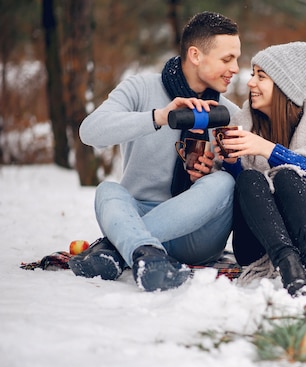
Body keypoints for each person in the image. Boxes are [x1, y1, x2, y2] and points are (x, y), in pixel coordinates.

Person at [69, 12, 241, 292]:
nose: (235, 67)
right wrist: (158, 118)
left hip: (195, 236)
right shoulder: (140, 89)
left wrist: (212, 172)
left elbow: (244, 181)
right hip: (138, 211)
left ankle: (115, 249)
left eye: (236, 58)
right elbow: (90, 131)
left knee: (223, 182)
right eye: (227, 59)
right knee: (108, 190)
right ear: (195, 55)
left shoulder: (229, 114)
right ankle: (147, 255)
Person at [215, 42, 306, 297]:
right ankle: (289, 265)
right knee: (250, 178)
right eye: (253, 74)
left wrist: (270, 150)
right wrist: (230, 162)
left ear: (284, 86)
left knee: (289, 176)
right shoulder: (241, 122)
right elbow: (237, 194)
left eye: (261, 76)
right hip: (258, 244)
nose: (250, 83)